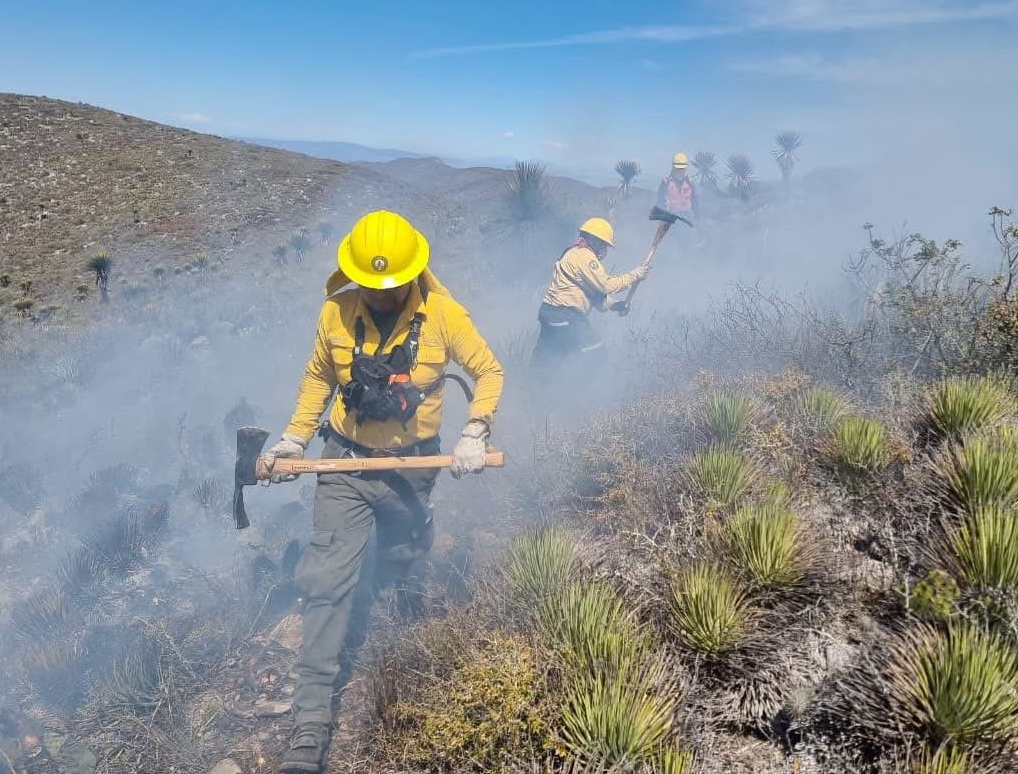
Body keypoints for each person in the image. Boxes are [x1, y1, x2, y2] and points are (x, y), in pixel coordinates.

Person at [259, 210, 504, 774]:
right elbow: (320, 377)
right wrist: (295, 439)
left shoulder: (443, 314)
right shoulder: (336, 312)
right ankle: (310, 727)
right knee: (327, 584)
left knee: (403, 556)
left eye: (392, 286)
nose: (384, 295)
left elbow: (488, 371)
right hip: (343, 464)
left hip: (414, 468)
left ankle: (408, 641)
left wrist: (475, 428)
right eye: (374, 286)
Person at [531, 217, 648, 367]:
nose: (604, 249)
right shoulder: (584, 256)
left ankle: (532, 388)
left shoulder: (575, 253)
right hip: (566, 315)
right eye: (603, 244)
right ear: (595, 241)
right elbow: (606, 285)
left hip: (549, 313)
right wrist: (634, 275)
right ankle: (596, 387)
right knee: (596, 353)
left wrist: (615, 305)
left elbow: (594, 296)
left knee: (546, 361)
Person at [656, 151, 698, 222]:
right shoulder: (666, 181)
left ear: (685, 168)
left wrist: (697, 218)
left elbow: (695, 201)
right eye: (678, 168)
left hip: (687, 218)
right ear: (673, 167)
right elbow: (660, 200)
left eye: (682, 169)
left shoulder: (690, 182)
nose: (680, 171)